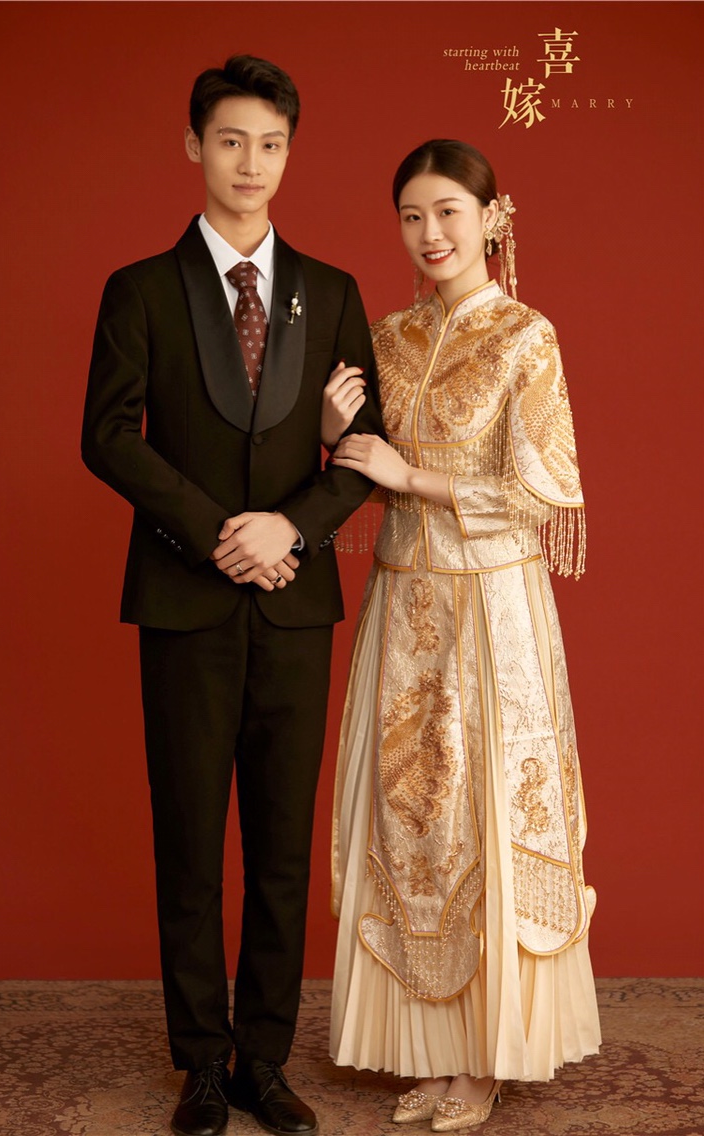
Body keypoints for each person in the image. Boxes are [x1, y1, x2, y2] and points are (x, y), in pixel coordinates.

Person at [82, 55, 382, 1136]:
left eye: (270, 144)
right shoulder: (140, 289)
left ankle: (265, 1058)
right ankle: (201, 1062)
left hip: (295, 602)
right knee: (190, 842)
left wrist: (290, 527)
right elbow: (107, 436)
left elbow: (367, 447)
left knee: (281, 848)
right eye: (230, 141)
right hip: (185, 599)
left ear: (289, 153)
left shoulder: (330, 291)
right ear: (193, 147)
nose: (251, 163)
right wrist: (221, 532)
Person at [324, 139, 600, 1132]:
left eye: (447, 210)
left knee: (484, 810)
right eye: (411, 215)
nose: (429, 232)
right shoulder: (388, 337)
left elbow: (540, 491)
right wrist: (335, 432)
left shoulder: (525, 336)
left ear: (492, 217)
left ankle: (486, 1058)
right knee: (414, 812)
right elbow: (362, 470)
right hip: (404, 606)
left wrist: (410, 477)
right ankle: (431, 1051)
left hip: (493, 612)